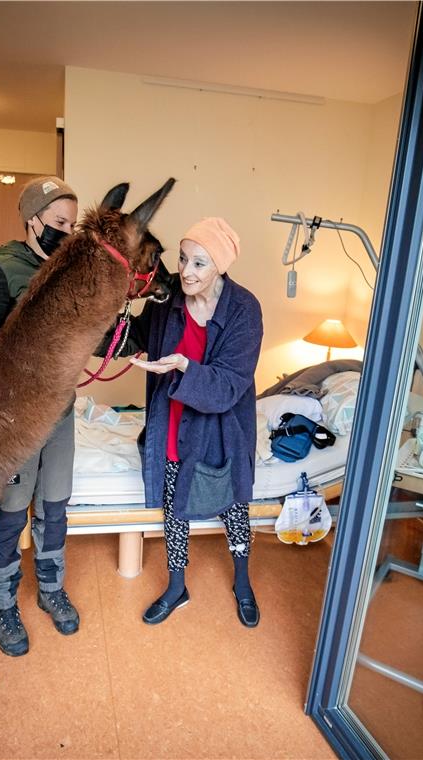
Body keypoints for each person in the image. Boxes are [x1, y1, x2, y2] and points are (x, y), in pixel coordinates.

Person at [0, 175, 80, 656]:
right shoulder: (2, 267)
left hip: (61, 411)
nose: (67, 234)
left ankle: (50, 589)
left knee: (55, 505)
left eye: (73, 225)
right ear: (33, 221)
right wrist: (33, 357)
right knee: (12, 511)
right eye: (58, 223)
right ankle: (3, 601)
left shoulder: (68, 273)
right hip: (15, 416)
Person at [124, 217, 263, 627]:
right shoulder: (169, 302)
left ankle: (242, 582)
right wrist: (109, 322)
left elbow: (227, 385)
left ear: (220, 266)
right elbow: (136, 335)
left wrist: (184, 365)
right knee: (175, 507)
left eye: (199, 264)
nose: (186, 271)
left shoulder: (244, 310)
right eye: (183, 259)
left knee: (235, 508)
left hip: (223, 429)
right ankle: (176, 586)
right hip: (174, 420)